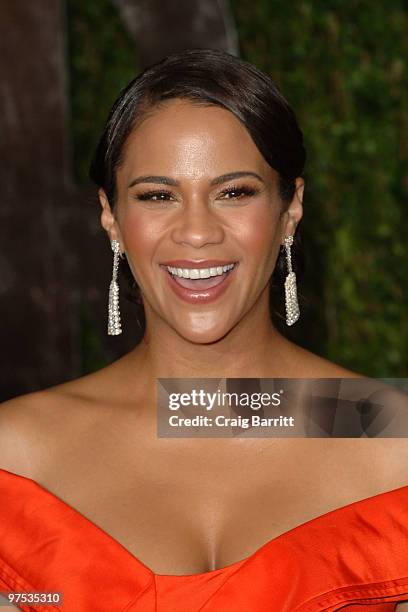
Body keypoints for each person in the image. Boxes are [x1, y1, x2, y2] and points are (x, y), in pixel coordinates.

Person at [0, 48, 407, 611]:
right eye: (158, 196)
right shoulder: (18, 457)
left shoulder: (388, 439)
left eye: (234, 192)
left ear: (291, 208)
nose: (196, 232)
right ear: (111, 215)